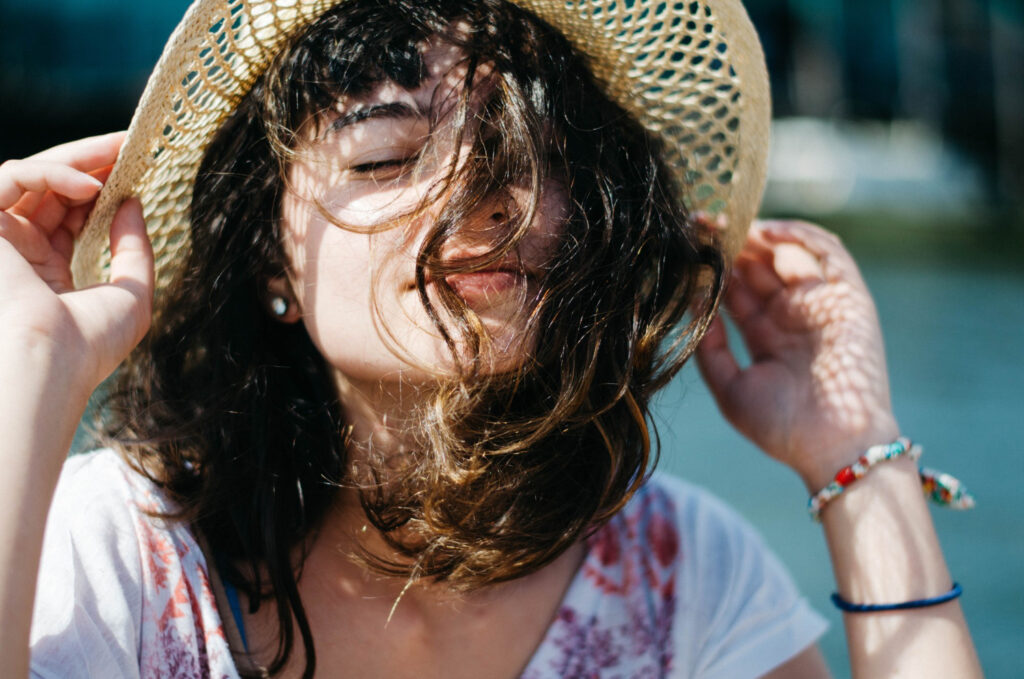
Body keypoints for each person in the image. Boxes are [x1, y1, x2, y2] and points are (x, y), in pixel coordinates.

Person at [0, 0, 982, 677]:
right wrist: (26, 380)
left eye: (526, 151)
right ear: (269, 260)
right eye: (386, 157)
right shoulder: (126, 554)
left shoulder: (679, 576)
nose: (482, 192)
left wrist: (856, 457)